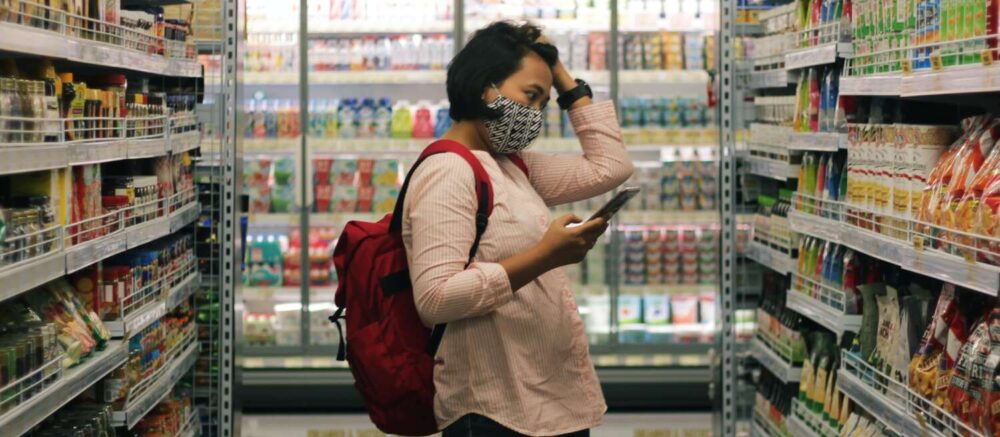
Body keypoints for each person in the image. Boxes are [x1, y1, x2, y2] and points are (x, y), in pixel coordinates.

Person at [401, 21, 634, 437]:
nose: (535, 113)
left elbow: (610, 166)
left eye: (543, 103)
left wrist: (558, 71)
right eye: (530, 96)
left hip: (544, 403)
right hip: (495, 413)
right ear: (486, 86)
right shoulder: (450, 170)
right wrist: (547, 255)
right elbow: (436, 299)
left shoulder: (511, 166)